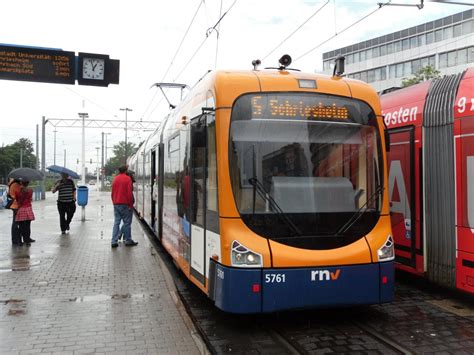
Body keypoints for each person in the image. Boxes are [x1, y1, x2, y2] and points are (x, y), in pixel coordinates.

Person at [111, 165, 138, 248]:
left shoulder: (115, 179)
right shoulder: (127, 179)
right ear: (126, 171)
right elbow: (129, 194)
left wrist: (114, 202)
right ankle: (128, 240)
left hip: (116, 204)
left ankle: (114, 241)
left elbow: (112, 193)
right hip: (125, 204)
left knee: (116, 222)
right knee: (127, 223)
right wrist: (130, 205)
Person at [15, 180, 36, 246]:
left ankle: (19, 241)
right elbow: (30, 199)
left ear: (21, 183)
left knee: (21, 227)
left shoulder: (18, 191)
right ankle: (27, 241)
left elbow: (17, 200)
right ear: (28, 183)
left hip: (21, 210)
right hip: (28, 209)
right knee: (27, 226)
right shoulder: (30, 190)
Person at [8, 178, 22, 246]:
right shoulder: (15, 185)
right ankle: (15, 240)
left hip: (15, 205)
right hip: (16, 205)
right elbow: (18, 195)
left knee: (16, 223)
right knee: (16, 224)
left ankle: (16, 240)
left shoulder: (12, 183)